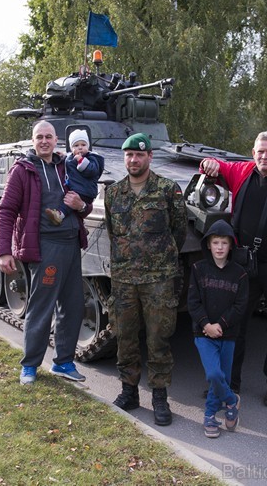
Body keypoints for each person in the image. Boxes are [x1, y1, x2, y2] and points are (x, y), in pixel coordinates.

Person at [198, 131, 267, 407]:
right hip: (243, 265)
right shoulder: (242, 172)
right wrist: (208, 164)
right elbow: (213, 164)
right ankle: (228, 382)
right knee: (232, 325)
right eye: (260, 151)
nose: (265, 156)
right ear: (253, 153)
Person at [0, 121, 91, 385]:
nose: (44, 141)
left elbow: (85, 202)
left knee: (72, 307)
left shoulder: (67, 165)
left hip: (72, 244)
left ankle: (63, 362)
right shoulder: (23, 170)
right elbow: (6, 211)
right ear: (33, 140)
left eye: (49, 136)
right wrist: (4, 251)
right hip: (45, 246)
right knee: (41, 308)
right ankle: (30, 365)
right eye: (40, 137)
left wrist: (81, 204)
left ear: (56, 139)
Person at [105, 132, 187, 426]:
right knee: (125, 336)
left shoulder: (168, 190)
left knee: (158, 338)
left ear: (149, 157)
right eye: (129, 155)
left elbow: (179, 232)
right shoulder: (113, 193)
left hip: (159, 279)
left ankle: (160, 396)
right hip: (124, 279)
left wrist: (159, 259)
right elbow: (113, 234)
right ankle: (129, 391)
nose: (134, 159)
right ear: (124, 158)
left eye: (139, 154)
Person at [187, 219, 248, 438]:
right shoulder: (198, 269)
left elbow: (241, 306)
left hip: (228, 334)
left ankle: (210, 415)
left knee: (222, 376)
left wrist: (221, 325)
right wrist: (207, 325)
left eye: (224, 243)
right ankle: (232, 401)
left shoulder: (239, 273)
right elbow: (193, 302)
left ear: (231, 245)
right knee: (213, 374)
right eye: (215, 243)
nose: (220, 247)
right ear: (208, 245)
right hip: (203, 333)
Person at [44, 129, 104, 225]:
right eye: (76, 145)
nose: (80, 148)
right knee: (69, 201)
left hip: (85, 190)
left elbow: (92, 171)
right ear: (71, 148)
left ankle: (60, 215)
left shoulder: (92, 158)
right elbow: (69, 160)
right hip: (78, 188)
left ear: (88, 146)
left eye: (83, 145)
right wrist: (63, 156)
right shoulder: (72, 157)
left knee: (69, 202)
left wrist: (81, 161)